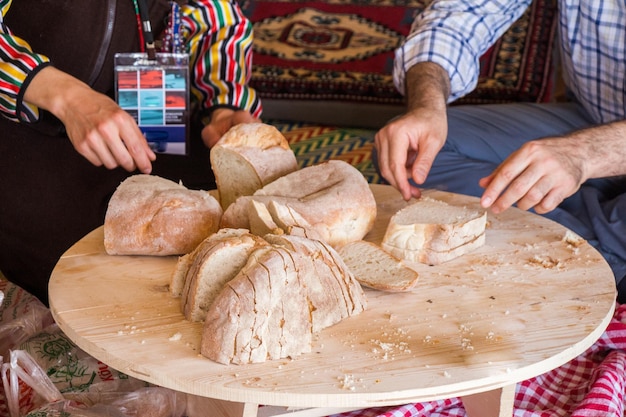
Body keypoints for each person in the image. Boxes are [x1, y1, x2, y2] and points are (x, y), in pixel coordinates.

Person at [0, 0, 262, 304]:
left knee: (239, 242)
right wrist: (66, 97)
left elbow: (215, 16)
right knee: (94, 288)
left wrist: (223, 103)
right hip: (27, 125)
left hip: (154, 116)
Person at [374, 0, 626, 301]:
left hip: (593, 143)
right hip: (593, 118)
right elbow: (461, 14)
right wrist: (427, 105)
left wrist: (582, 154)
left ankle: (586, 239)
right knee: (413, 153)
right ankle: (599, 234)